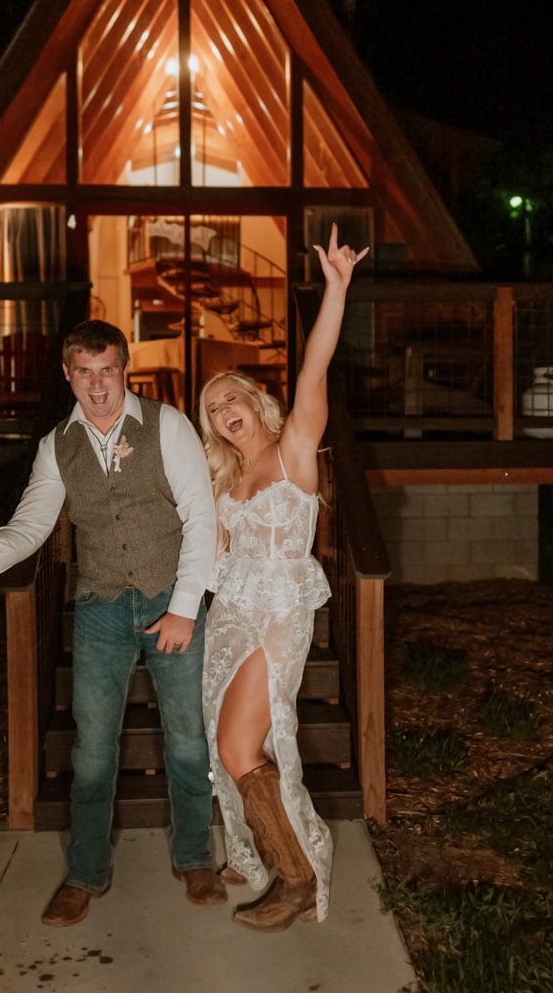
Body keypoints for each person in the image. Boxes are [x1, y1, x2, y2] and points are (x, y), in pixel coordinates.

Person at [0, 319, 225, 925]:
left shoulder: (168, 425)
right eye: (84, 372)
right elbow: (28, 529)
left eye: (107, 370)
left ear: (124, 368)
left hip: (171, 599)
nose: (98, 385)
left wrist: (185, 607)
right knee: (91, 751)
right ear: (68, 375)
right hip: (101, 608)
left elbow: (201, 519)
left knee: (188, 740)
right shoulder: (58, 444)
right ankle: (86, 872)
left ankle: (194, 858)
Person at [198, 224, 368, 932]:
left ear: (255, 398)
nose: (223, 412)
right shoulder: (227, 477)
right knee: (226, 742)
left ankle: (295, 878)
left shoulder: (295, 449)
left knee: (241, 746)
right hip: (231, 614)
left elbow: (314, 370)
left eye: (230, 397)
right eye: (211, 411)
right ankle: (257, 846)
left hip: (278, 614)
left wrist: (336, 289)